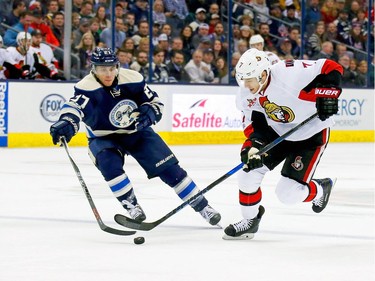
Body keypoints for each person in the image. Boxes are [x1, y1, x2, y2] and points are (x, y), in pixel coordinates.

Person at [49, 47, 221, 226]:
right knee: (110, 166)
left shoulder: (133, 79)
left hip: (136, 132)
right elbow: (74, 107)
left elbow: (155, 102)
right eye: (102, 69)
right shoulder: (87, 87)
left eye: (111, 68)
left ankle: (203, 207)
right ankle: (131, 205)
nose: (107, 74)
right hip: (103, 137)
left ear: (117, 66)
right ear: (93, 69)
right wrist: (67, 121)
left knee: (171, 171)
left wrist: (151, 112)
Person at [223, 48, 343, 240]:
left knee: (287, 194)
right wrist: (252, 147)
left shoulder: (289, 73)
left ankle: (321, 189)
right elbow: (255, 126)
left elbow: (331, 67)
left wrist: (327, 94)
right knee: (247, 173)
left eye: (248, 79)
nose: (245, 85)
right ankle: (250, 221)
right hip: (277, 131)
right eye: (242, 79)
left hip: (311, 133)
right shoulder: (246, 94)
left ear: (262, 74)